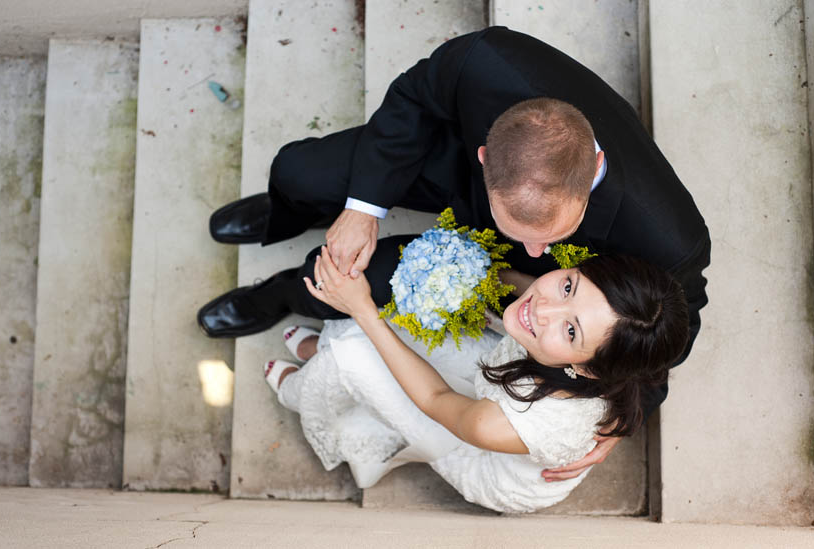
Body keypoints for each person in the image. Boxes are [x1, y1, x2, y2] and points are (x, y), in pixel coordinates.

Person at [197, 27, 711, 480]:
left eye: (553, 235)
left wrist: (622, 418)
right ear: (487, 153)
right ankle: (290, 212)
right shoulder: (485, 61)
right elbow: (415, 98)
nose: (534, 249)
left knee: (346, 278)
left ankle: (278, 296)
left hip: (517, 274)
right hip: (453, 170)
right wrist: (363, 208)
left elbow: (670, 325)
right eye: (522, 232)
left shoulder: (668, 237)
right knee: (299, 173)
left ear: (594, 169)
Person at [262, 248, 688, 513]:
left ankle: (301, 389)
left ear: (589, 369)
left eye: (571, 330)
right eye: (568, 285)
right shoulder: (590, 340)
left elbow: (433, 397)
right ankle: (329, 348)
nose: (541, 309)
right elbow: (528, 294)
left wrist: (362, 310)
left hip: (491, 460)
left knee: (355, 358)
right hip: (518, 378)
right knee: (409, 335)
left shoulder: (509, 423)